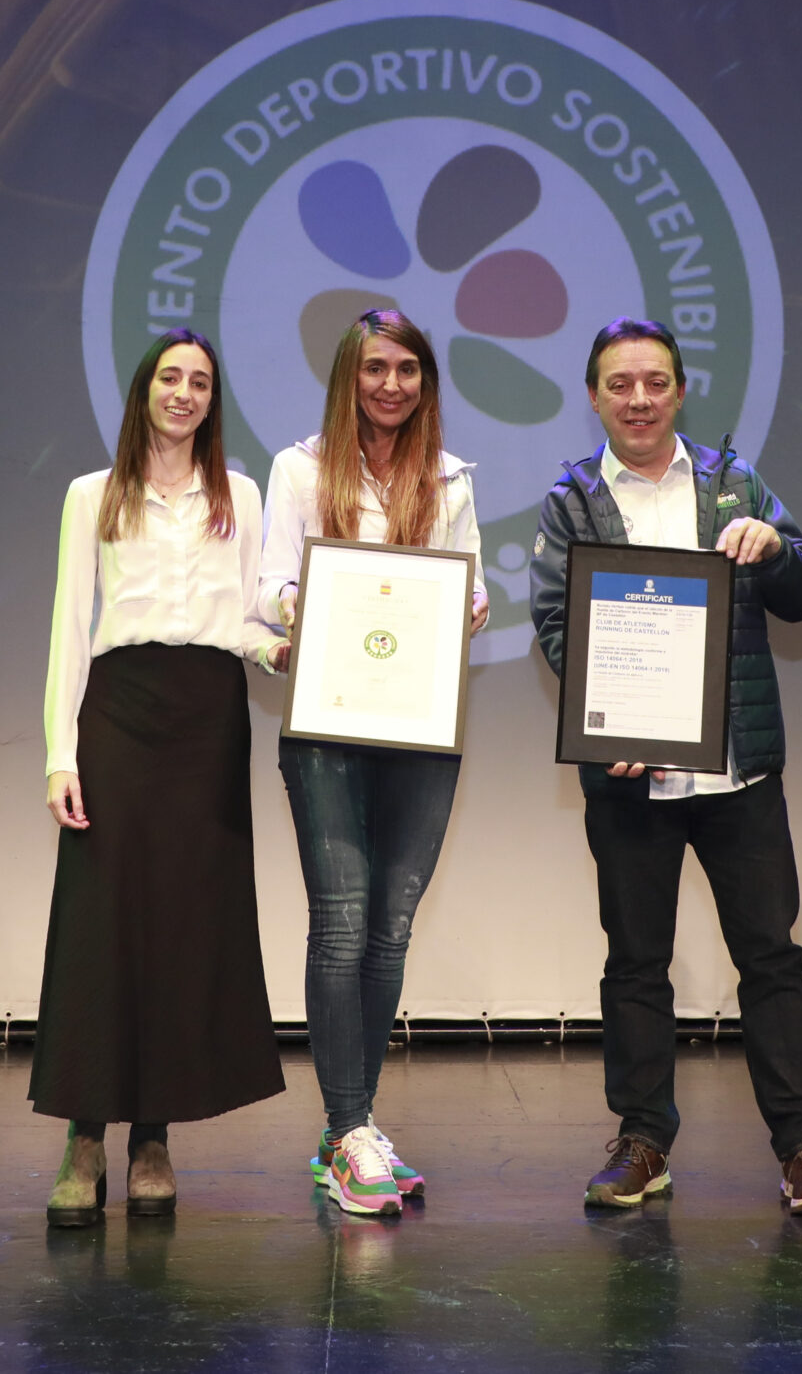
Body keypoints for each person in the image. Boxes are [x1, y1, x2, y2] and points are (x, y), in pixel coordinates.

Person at [527, 317, 802, 1218]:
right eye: (620, 384)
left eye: (655, 382)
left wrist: (775, 549)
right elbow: (555, 624)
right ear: (594, 396)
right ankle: (642, 1142)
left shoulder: (734, 482)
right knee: (636, 963)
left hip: (737, 772)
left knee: (771, 959)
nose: (639, 399)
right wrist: (609, 723)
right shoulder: (571, 498)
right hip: (631, 779)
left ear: (679, 390)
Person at [34, 328, 286, 1228]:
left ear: (214, 401)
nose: (184, 393)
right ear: (144, 390)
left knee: (184, 929)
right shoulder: (91, 493)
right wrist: (60, 753)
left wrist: (282, 647)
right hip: (121, 710)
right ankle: (82, 1134)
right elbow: (70, 626)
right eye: (170, 377)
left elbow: (248, 618)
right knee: (101, 923)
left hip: (208, 717)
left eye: (200, 382)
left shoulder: (240, 495)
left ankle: (152, 1138)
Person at [257, 310, 488, 1218]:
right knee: (344, 921)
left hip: (421, 724)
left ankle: (347, 1130)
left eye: (408, 370)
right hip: (328, 723)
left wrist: (467, 604)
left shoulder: (451, 479)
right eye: (376, 368)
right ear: (349, 377)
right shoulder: (299, 469)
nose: (391, 385)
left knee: (390, 928)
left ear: (426, 381)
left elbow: (471, 585)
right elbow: (272, 587)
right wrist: (320, 603)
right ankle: (350, 1128)